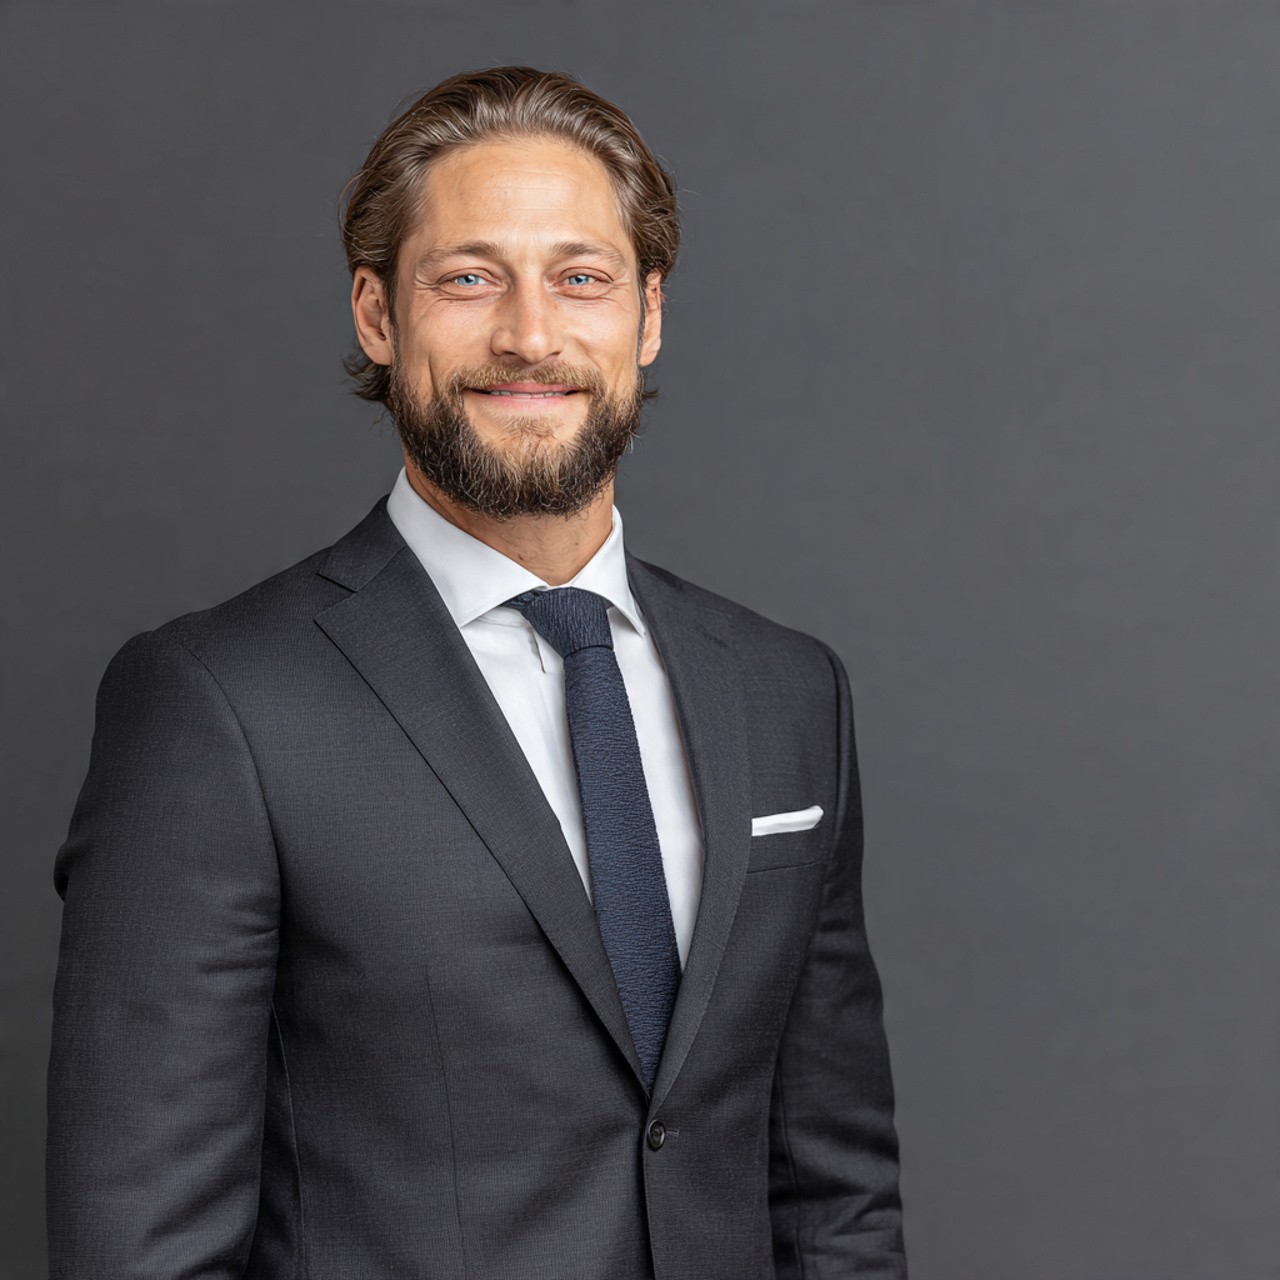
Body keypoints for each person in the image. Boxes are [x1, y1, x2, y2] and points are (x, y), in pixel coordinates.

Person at [46, 65, 907, 1279]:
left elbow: (836, 1192)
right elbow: (139, 1243)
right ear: (375, 315)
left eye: (580, 277)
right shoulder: (215, 705)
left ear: (646, 314)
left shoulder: (786, 690)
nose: (530, 334)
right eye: (467, 278)